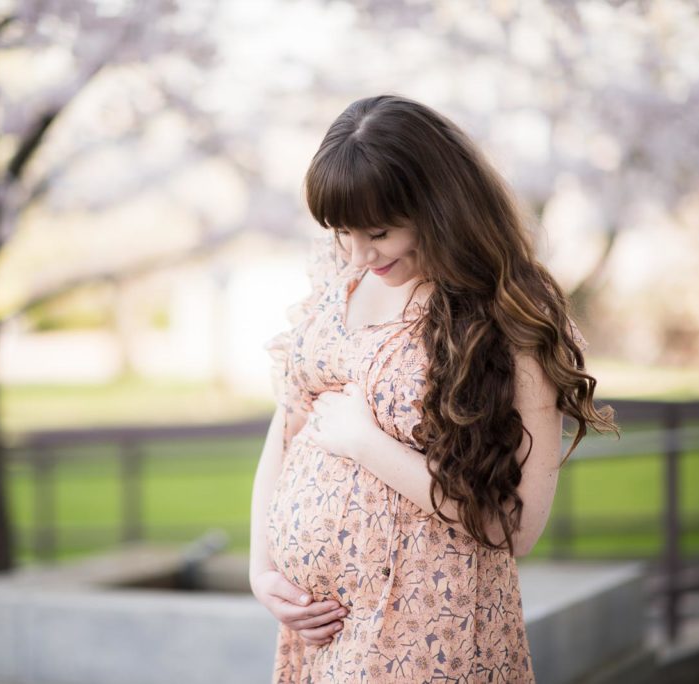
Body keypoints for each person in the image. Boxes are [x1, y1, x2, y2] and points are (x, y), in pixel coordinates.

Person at [248, 94, 619, 683]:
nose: (361, 253)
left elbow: (512, 529)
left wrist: (366, 443)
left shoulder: (507, 319)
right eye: (343, 231)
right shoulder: (339, 273)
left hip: (424, 632)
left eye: (380, 231)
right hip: (320, 633)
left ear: (438, 206)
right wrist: (262, 570)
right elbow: (289, 424)